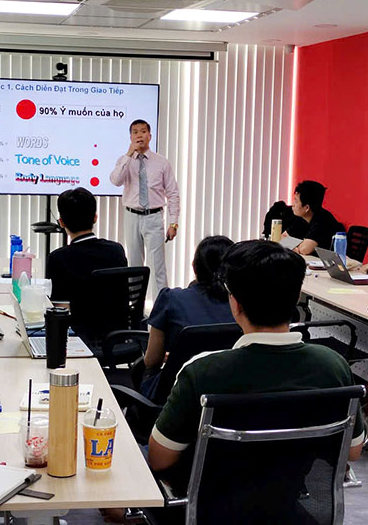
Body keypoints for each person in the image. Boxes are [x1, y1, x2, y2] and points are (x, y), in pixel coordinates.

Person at [148, 240, 364, 485]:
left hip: (213, 501)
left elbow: (159, 459)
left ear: (235, 304)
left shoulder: (201, 371)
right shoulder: (332, 365)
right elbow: (352, 451)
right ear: (296, 298)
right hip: (291, 498)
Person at [141, 235, 235, 397]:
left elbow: (152, 361)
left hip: (175, 396)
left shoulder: (171, 299)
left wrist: (177, 357)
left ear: (194, 267)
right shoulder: (243, 307)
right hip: (229, 397)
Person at [110, 119, 180, 298]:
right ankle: (135, 306)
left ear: (150, 136)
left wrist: (173, 223)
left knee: (158, 267)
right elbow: (115, 181)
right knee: (134, 265)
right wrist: (128, 155)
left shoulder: (162, 162)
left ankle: (161, 306)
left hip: (154, 217)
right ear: (130, 137)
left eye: (143, 131)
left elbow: (173, 193)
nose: (139, 135)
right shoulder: (124, 161)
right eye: (135, 132)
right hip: (131, 216)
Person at [45, 187, 127, 339]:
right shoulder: (116, 250)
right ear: (95, 218)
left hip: (79, 340)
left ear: (61, 222)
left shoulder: (58, 258)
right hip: (117, 338)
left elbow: (61, 311)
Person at [286, 180, 344, 255]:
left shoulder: (322, 221)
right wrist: (295, 246)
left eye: (296, 201)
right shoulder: (302, 217)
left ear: (307, 208)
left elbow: (304, 250)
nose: (293, 204)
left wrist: (293, 246)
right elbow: (283, 237)